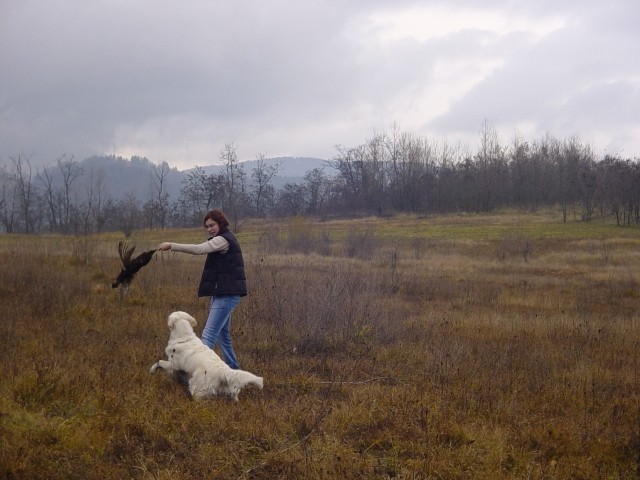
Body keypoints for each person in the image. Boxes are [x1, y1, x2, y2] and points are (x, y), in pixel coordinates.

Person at [157, 209, 247, 369]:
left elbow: (199, 249)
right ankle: (234, 372)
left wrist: (172, 245)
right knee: (223, 336)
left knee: (208, 335)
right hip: (222, 293)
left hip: (226, 295)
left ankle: (199, 372)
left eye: (212, 225)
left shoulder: (223, 240)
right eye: (207, 226)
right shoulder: (224, 238)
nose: (210, 229)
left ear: (220, 223)